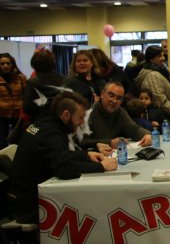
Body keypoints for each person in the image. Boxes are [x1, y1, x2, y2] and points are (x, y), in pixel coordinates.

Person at [10, 92, 117, 224]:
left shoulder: (45, 124)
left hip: (26, 195)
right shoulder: (51, 134)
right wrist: (101, 167)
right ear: (66, 115)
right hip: (31, 206)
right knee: (94, 203)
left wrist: (86, 154)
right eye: (80, 118)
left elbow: (59, 156)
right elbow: (64, 168)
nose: (82, 123)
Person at [82, 82, 152, 149]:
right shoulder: (88, 113)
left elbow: (134, 129)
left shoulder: (120, 112)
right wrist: (109, 143)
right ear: (102, 94)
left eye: (119, 98)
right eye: (111, 95)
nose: (114, 101)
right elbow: (82, 141)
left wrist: (147, 135)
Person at [135, 46, 170, 121]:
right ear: (151, 59)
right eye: (159, 56)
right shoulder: (152, 75)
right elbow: (160, 98)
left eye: (163, 55)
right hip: (165, 119)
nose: (163, 58)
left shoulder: (161, 70)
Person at [0, 53, 27, 148]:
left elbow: (26, 94)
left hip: (18, 114)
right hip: (2, 114)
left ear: (12, 64)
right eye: (2, 64)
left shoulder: (20, 77)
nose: (5, 66)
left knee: (18, 141)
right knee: (1, 143)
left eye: (8, 63)